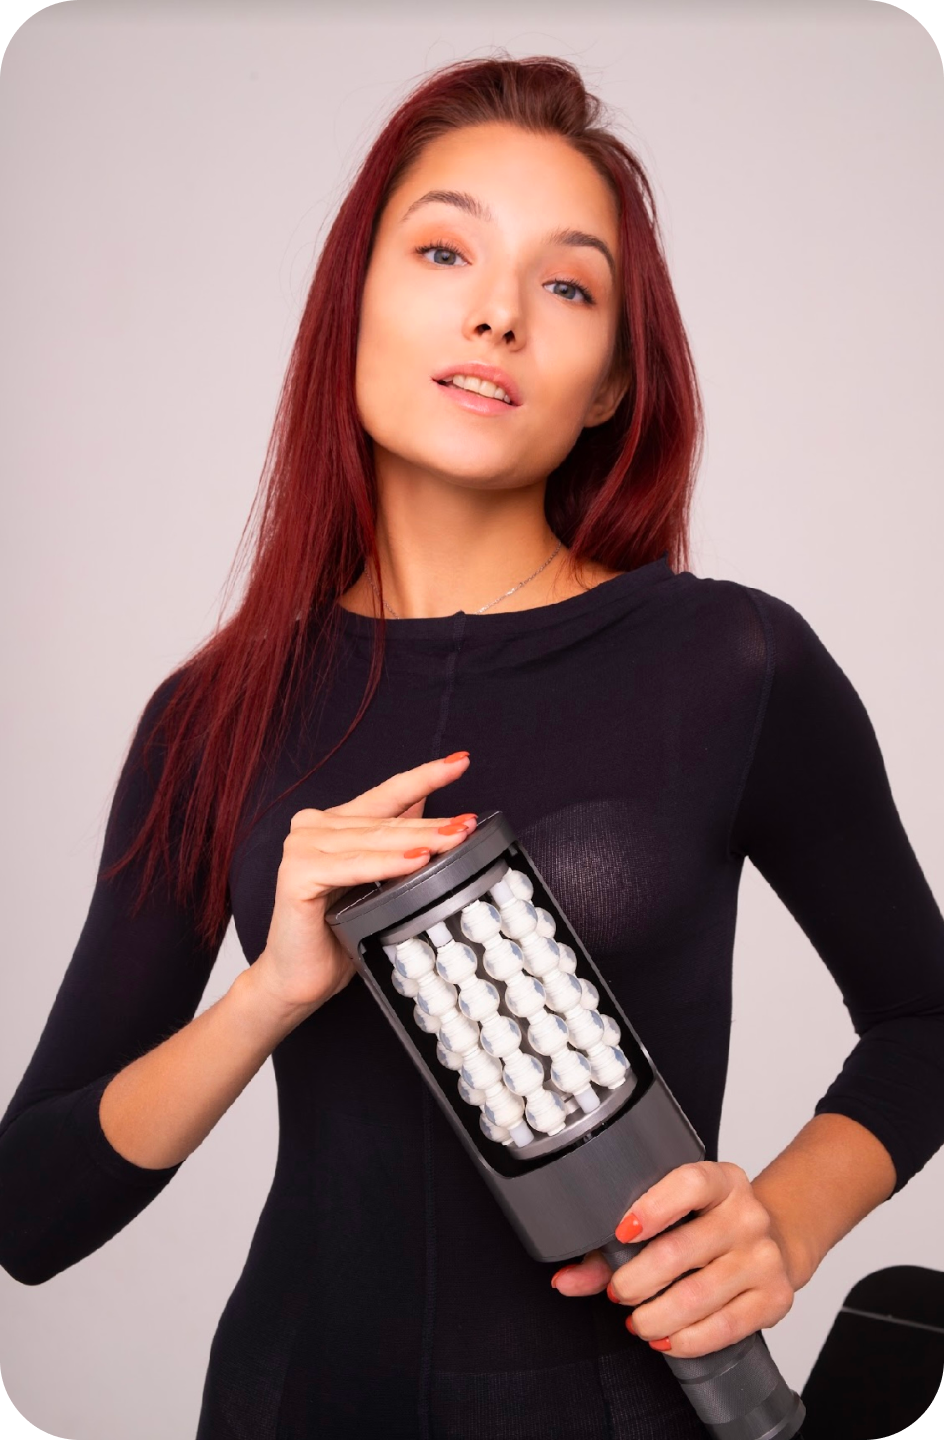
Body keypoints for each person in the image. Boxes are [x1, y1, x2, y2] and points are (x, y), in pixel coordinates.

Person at [1, 53, 942, 1440]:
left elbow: (928, 1018)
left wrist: (784, 1226)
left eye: (567, 286)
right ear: (354, 303)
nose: (497, 312)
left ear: (612, 382)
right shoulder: (213, 714)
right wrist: (267, 994)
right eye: (444, 252)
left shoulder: (733, 662)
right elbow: (30, 1210)